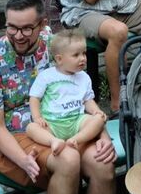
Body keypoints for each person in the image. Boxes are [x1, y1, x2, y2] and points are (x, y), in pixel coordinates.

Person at [0, 0, 117, 194]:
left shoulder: (55, 48)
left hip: (65, 122)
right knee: (68, 159)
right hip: (15, 135)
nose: (18, 35)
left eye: (26, 28)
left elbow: (82, 95)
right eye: (12, 27)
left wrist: (101, 134)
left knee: (102, 162)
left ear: (41, 25)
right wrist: (23, 161)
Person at [24, 29, 106, 158]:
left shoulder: (84, 77)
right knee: (31, 128)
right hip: (52, 123)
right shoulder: (46, 76)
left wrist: (96, 111)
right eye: (76, 55)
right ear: (59, 59)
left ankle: (76, 140)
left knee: (99, 119)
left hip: (76, 121)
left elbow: (87, 100)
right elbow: (34, 98)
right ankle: (53, 141)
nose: (83, 58)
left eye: (84, 53)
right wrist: (37, 117)